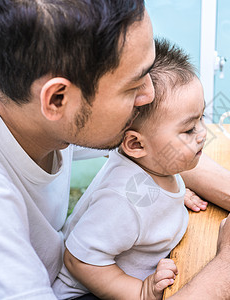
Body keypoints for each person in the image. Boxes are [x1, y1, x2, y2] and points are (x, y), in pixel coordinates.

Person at [0, 1, 230, 299]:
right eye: (133, 87)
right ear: (57, 99)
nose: (149, 96)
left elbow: (158, 146)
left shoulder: (29, 94)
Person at [52, 38, 208, 300]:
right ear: (136, 144)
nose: (203, 134)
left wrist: (175, 197)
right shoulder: (125, 199)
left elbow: (153, 200)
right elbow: (79, 260)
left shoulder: (155, 167)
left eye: (202, 118)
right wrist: (140, 292)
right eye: (189, 129)